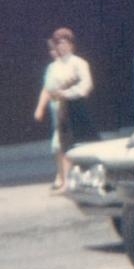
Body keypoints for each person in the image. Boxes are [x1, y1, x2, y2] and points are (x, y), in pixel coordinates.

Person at [41, 28, 97, 189]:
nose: (62, 46)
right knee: (63, 145)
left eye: (65, 43)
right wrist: (56, 92)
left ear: (72, 45)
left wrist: (67, 92)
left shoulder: (79, 63)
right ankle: (66, 181)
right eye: (59, 43)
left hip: (79, 108)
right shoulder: (54, 67)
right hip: (62, 110)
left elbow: (86, 86)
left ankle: (91, 179)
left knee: (84, 142)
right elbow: (50, 87)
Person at [33, 40, 64, 190]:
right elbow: (46, 89)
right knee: (57, 146)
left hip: (70, 111)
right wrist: (40, 107)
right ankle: (61, 174)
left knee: (64, 145)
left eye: (55, 48)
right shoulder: (51, 68)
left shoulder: (71, 65)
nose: (53, 52)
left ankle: (65, 176)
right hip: (56, 112)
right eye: (51, 50)